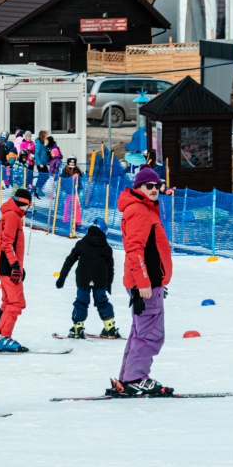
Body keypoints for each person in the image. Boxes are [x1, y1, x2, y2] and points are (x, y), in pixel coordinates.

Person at [113, 166, 174, 396]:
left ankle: (128, 377)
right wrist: (144, 283)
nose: (154, 189)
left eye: (157, 185)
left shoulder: (144, 208)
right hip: (145, 284)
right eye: (149, 186)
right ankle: (136, 377)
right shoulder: (139, 210)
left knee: (141, 331)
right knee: (150, 333)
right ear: (138, 187)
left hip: (149, 282)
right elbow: (134, 249)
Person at [56, 218, 119, 339]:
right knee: (102, 301)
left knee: (81, 301)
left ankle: (78, 327)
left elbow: (70, 260)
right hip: (100, 281)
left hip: (83, 279)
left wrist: (62, 277)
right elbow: (110, 268)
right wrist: (109, 284)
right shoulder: (106, 248)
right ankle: (110, 327)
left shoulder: (82, 244)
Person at [0, 187, 32, 353]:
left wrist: (18, 266)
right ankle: (2, 337)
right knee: (17, 302)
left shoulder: (9, 214)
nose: (28, 209)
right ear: (23, 203)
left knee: (8, 302)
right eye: (28, 205)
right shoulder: (13, 215)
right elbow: (6, 243)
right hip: (7, 266)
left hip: (5, 265)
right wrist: (14, 265)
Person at [34, 131, 50, 198]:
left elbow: (44, 152)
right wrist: (39, 163)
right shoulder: (38, 144)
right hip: (40, 163)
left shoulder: (43, 143)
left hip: (44, 163)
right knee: (42, 176)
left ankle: (37, 187)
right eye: (45, 136)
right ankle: (38, 189)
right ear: (42, 136)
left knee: (46, 176)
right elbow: (36, 154)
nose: (46, 137)